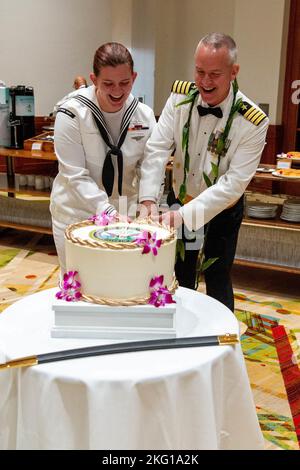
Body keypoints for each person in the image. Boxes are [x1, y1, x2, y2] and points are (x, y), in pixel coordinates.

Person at [138, 32, 269, 312]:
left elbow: (233, 185)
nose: (205, 82)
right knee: (180, 270)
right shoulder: (180, 98)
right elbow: (157, 148)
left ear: (234, 72)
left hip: (222, 208)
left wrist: (182, 217)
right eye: (199, 72)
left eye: (215, 74)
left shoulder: (252, 121)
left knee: (217, 274)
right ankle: (182, 334)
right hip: (181, 198)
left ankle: (222, 344)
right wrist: (148, 199)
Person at [50, 42, 156, 272]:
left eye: (124, 83)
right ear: (94, 79)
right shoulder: (71, 113)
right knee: (78, 287)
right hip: (75, 212)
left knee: (118, 283)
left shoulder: (144, 116)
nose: (117, 91)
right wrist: (108, 212)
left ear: (134, 77)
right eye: (108, 83)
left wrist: (149, 203)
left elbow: (149, 166)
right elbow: (75, 174)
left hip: (124, 214)